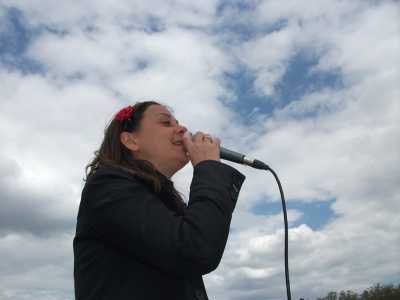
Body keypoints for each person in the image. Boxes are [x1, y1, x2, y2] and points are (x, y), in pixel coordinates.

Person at [73, 101, 246, 300]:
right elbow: (196, 249)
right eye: (166, 123)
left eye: (178, 122)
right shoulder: (107, 186)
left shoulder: (162, 198)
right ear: (131, 141)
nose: (183, 129)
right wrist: (208, 167)